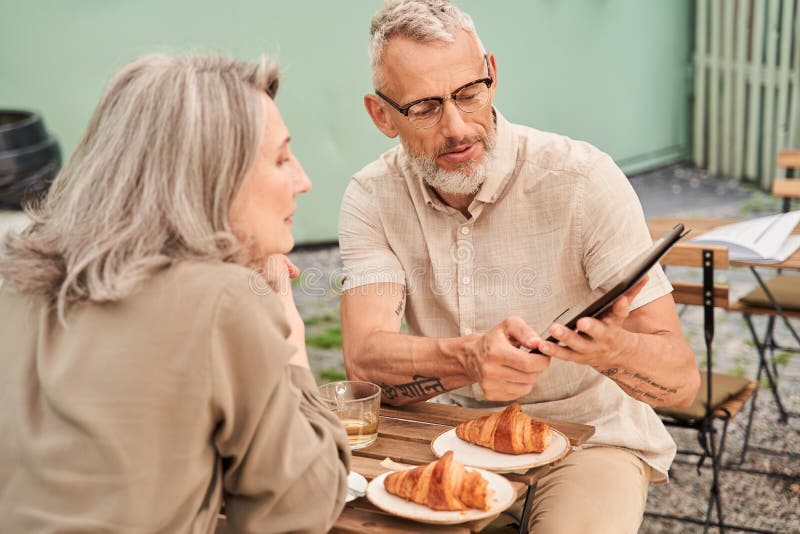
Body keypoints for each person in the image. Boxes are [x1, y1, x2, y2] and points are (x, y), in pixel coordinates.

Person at [338, 1, 700, 532]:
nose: (457, 127)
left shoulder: (583, 179)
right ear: (381, 115)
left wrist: (613, 349)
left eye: (468, 93)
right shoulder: (372, 196)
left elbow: (683, 383)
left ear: (492, 73)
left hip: (592, 436)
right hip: (443, 433)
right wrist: (468, 358)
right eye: (424, 108)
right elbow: (364, 362)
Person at [0, 54, 349, 533]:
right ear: (213, 173)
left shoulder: (16, 285)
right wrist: (286, 320)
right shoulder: (221, 301)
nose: (303, 180)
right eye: (282, 158)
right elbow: (300, 506)